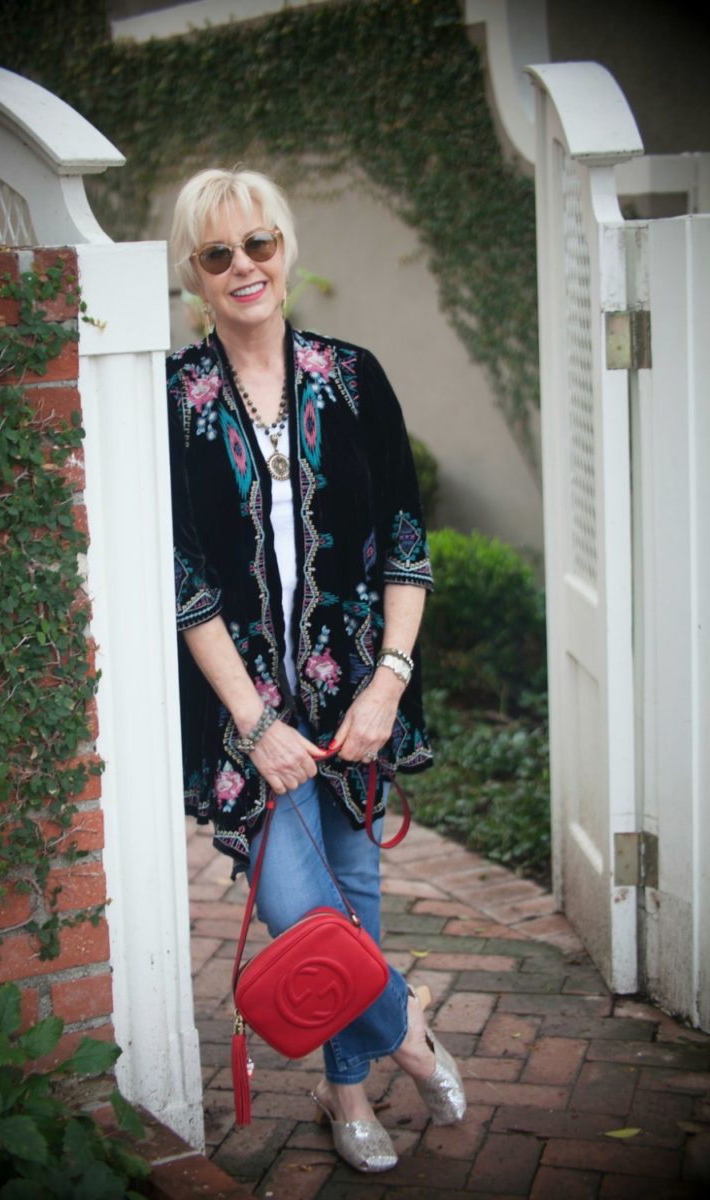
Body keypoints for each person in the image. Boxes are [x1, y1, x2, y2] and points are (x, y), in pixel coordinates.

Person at [166, 166, 465, 1173]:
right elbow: (185, 582)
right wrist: (253, 724)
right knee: (304, 912)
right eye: (219, 253)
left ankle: (348, 1104)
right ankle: (409, 1035)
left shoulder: (351, 375)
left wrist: (386, 680)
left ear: (285, 250)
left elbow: (403, 541)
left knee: (355, 900)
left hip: (353, 710)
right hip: (248, 719)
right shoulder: (173, 399)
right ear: (194, 274)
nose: (243, 266)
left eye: (259, 244)